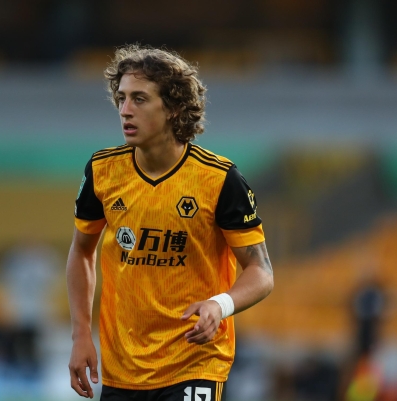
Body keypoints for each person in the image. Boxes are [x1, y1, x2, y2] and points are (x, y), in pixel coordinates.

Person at [66, 44, 274, 400]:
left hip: (194, 361)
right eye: (121, 98)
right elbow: (83, 252)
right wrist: (81, 335)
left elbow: (261, 271)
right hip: (122, 368)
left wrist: (218, 305)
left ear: (174, 108)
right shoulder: (103, 171)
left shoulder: (219, 179)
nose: (125, 111)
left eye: (140, 99)